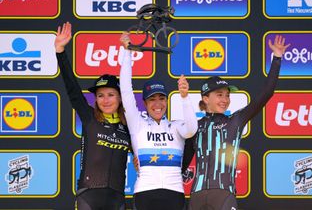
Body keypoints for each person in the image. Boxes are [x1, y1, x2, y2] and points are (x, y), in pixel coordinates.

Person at [182, 35, 290, 210]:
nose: (225, 99)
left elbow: (265, 95)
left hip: (224, 194)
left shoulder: (235, 120)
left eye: (227, 95)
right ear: (205, 98)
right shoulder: (195, 126)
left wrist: (276, 59)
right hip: (197, 196)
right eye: (219, 95)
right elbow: (182, 163)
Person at [55, 22, 131, 210]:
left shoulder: (129, 126)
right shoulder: (89, 117)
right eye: (100, 95)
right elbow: (72, 88)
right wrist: (60, 51)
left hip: (117, 198)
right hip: (89, 195)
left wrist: (127, 51)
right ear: (95, 99)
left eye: (111, 94)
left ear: (120, 98)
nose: (105, 100)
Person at [119, 32, 198, 210]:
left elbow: (192, 130)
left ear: (167, 101)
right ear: (145, 103)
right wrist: (127, 52)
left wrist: (185, 98)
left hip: (174, 191)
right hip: (145, 192)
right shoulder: (137, 123)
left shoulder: (176, 126)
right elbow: (125, 90)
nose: (157, 104)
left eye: (161, 98)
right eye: (152, 99)